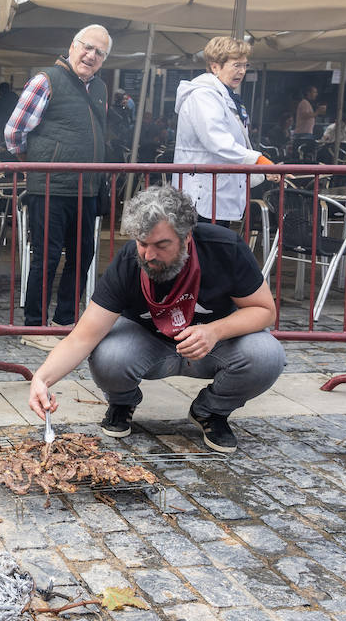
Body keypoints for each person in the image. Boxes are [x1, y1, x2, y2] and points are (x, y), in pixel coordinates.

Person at [26, 184, 284, 453]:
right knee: (107, 354)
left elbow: (265, 310)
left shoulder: (224, 247)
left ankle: (210, 411)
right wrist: (42, 379)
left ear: (186, 238)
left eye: (162, 245)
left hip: (212, 345)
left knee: (268, 354)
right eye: (143, 244)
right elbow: (82, 337)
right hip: (147, 343)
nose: (149, 256)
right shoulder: (129, 261)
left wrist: (215, 331)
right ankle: (122, 402)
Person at [4, 25, 111, 349]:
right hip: (50, 186)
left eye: (99, 53)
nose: (91, 56)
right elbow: (13, 133)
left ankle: (64, 321)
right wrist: (39, 161)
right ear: (72, 46)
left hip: (87, 187)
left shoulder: (100, 89)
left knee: (83, 255)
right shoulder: (46, 79)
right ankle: (34, 327)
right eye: (87, 47)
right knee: (46, 258)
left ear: (104, 60)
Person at [173, 37, 275, 225]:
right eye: (236, 65)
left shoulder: (223, 95)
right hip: (203, 196)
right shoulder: (203, 96)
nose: (242, 71)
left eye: (245, 65)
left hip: (217, 194)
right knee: (205, 251)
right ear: (215, 67)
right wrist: (258, 160)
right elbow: (217, 141)